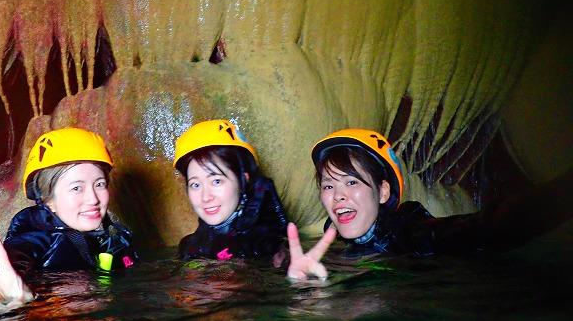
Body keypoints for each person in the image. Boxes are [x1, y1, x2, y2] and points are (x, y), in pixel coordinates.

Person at [286, 127, 573, 277]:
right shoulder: (328, 252)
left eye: (351, 182)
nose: (338, 195)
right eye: (328, 185)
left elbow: (485, 229)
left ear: (383, 192)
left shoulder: (413, 235)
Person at [0, 127, 138, 309]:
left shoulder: (112, 237)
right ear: (48, 201)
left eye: (99, 184)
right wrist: (9, 289)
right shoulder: (38, 236)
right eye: (76, 188)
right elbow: (19, 252)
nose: (93, 198)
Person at [173, 119, 289, 262]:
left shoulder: (269, 247)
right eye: (195, 185)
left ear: (243, 181)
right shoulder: (189, 247)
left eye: (216, 181)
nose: (205, 197)